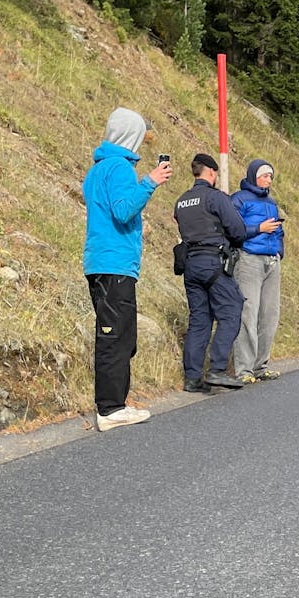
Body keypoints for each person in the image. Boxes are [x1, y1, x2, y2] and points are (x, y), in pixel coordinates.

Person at [82, 107, 172, 431]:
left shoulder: (97, 170)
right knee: (115, 336)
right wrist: (150, 182)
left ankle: (114, 403)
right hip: (114, 262)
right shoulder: (119, 168)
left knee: (121, 335)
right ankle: (110, 408)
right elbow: (123, 210)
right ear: (130, 136)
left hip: (100, 262)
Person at [173, 153, 263, 393]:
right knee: (232, 311)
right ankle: (218, 369)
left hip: (190, 265)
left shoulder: (181, 200)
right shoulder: (216, 198)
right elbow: (238, 230)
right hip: (213, 263)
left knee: (199, 320)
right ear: (211, 172)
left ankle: (192, 378)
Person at [231, 159, 284, 384]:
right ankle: (244, 369)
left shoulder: (271, 202)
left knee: (269, 315)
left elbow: (279, 231)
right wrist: (258, 229)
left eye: (270, 176)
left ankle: (261, 365)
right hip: (249, 259)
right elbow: (232, 228)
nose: (268, 180)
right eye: (264, 176)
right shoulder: (239, 199)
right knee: (248, 313)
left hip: (272, 261)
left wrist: (280, 251)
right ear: (254, 176)